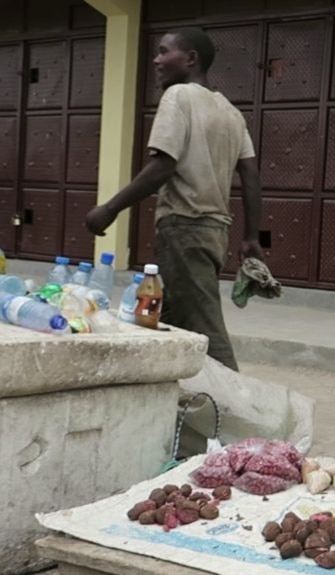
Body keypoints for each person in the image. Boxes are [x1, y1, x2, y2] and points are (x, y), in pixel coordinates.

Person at [85, 27, 262, 371]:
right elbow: (251, 178)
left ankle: (236, 413)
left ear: (191, 59)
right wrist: (251, 237)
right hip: (213, 233)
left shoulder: (178, 96)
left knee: (206, 329)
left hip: (186, 227)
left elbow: (163, 166)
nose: (156, 60)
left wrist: (109, 209)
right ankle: (166, 400)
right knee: (168, 317)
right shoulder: (231, 113)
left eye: (165, 52)